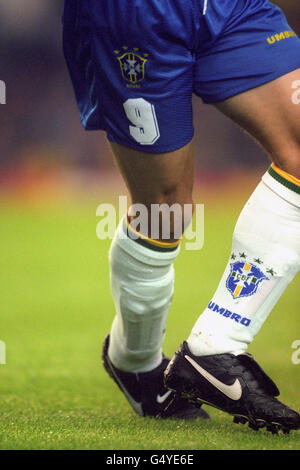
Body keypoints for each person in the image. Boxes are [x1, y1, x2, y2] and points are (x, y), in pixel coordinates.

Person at [62, 0, 300, 432]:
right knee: (164, 212)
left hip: (232, 7)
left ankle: (215, 347)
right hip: (141, 13)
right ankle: (134, 361)